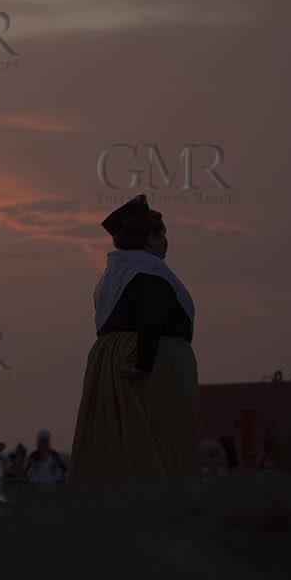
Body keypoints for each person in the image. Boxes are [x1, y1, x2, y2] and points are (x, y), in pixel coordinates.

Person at [69, 195, 198, 479]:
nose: (166, 241)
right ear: (151, 238)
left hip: (111, 359)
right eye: (163, 234)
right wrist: (143, 362)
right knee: (156, 432)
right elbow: (150, 318)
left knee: (118, 434)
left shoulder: (113, 274)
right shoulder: (149, 272)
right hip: (150, 362)